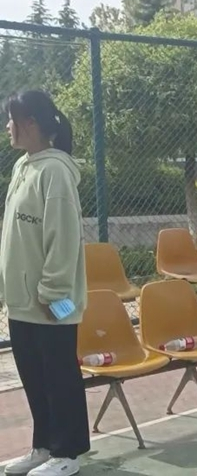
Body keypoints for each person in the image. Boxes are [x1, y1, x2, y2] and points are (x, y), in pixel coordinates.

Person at [1, 91, 89, 476]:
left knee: (59, 375)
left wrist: (52, 294)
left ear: (31, 123)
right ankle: (44, 447)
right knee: (35, 377)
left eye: (12, 119)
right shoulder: (24, 166)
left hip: (56, 301)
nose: (8, 126)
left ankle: (67, 454)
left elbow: (63, 238)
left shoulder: (56, 172)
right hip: (22, 303)